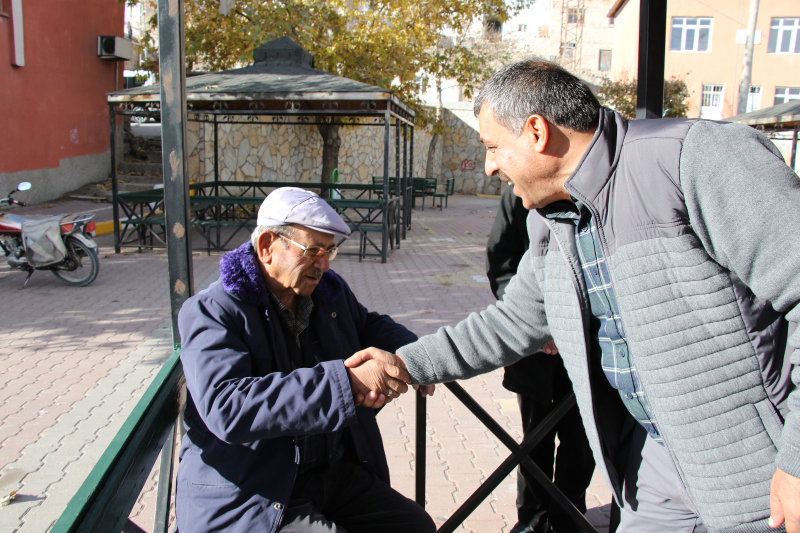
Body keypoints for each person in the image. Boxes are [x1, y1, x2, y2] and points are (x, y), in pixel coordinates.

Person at [347, 60, 800, 533]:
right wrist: (403, 364)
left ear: (537, 133)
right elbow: (511, 324)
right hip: (653, 471)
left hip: (759, 473)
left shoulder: (696, 159)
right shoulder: (550, 220)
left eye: (493, 147)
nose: (489, 166)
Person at [175, 187, 435, 533]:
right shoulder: (214, 310)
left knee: (414, 526)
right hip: (253, 490)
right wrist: (348, 382)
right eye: (312, 250)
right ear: (267, 246)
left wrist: (416, 355)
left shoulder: (327, 290)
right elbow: (227, 407)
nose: (323, 264)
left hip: (329, 473)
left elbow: (367, 324)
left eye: (329, 251)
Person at [488, 186, 595, 533]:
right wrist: (537, 328)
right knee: (535, 441)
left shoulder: (593, 192)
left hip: (587, 351)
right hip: (535, 355)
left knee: (581, 443)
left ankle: (569, 518)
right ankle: (531, 521)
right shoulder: (517, 195)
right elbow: (500, 263)